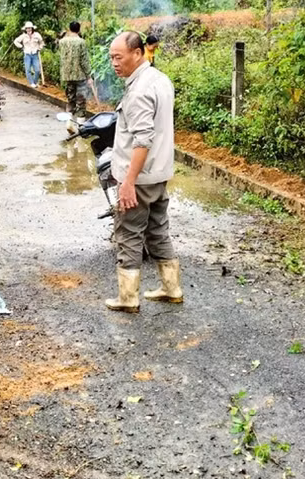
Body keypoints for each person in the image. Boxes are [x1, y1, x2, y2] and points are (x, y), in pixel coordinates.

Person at [105, 31, 182, 312]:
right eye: (112, 57)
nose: (114, 62)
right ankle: (171, 288)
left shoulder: (138, 91)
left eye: (119, 57)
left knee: (128, 232)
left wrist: (128, 182)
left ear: (137, 54)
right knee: (158, 230)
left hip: (139, 177)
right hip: (159, 174)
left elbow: (142, 139)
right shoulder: (160, 79)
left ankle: (128, 298)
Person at [58, 21, 92, 134]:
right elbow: (84, 60)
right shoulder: (81, 42)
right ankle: (81, 127)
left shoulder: (62, 42)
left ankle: (69, 122)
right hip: (80, 75)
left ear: (70, 28)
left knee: (70, 99)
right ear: (79, 29)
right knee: (81, 101)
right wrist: (89, 75)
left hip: (67, 75)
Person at [13, 21, 44, 88]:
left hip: (35, 54)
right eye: (27, 28)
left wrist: (39, 48)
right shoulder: (23, 36)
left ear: (32, 28)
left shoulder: (37, 35)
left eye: (30, 28)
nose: (28, 30)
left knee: (37, 70)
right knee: (28, 70)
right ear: (25, 29)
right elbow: (16, 41)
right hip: (27, 54)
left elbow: (41, 42)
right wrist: (21, 46)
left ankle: (35, 82)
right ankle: (31, 83)